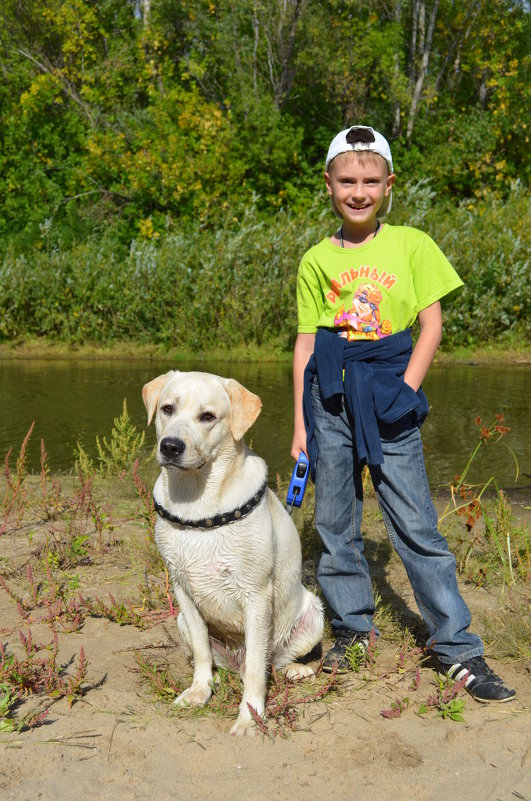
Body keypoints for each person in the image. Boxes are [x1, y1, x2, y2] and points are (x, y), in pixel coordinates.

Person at [291, 124, 515, 703]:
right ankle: (351, 630)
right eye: (347, 181)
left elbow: (432, 325)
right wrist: (300, 426)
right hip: (331, 398)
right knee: (335, 524)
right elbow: (306, 345)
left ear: (389, 185)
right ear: (329, 184)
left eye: (370, 181)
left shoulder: (414, 244)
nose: (358, 191)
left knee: (416, 525)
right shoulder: (315, 259)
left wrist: (408, 392)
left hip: (389, 388)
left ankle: (457, 648)